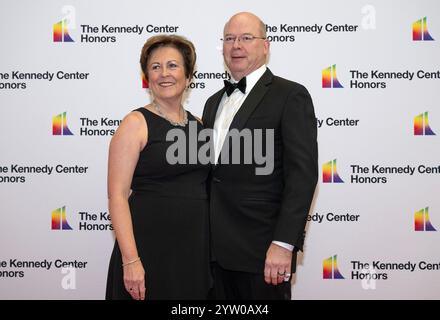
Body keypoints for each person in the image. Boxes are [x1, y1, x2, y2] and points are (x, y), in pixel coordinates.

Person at [202, 12, 318, 300]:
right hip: (212, 255)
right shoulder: (212, 102)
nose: (236, 46)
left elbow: (302, 177)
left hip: (263, 254)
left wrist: (283, 244)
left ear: (265, 46)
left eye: (245, 38)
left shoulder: (290, 95)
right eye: (229, 39)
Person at [106, 35, 211, 300]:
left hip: (193, 251)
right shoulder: (135, 123)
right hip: (147, 249)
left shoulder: (201, 125)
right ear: (147, 76)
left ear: (188, 76)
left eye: (173, 65)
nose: (164, 73)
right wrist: (131, 261)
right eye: (155, 67)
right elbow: (117, 196)